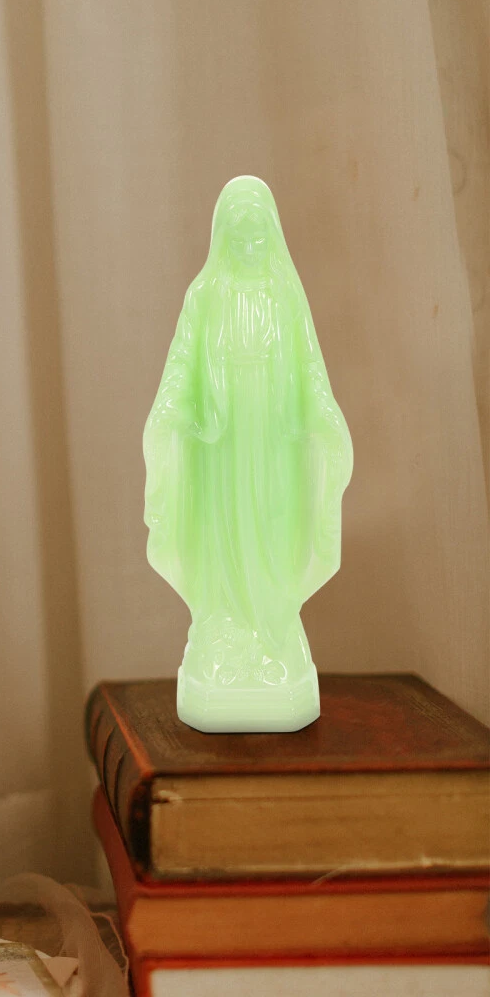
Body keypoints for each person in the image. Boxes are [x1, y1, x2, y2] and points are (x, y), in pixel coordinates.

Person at [143, 176, 353, 732]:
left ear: (272, 235)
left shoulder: (287, 297)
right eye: (240, 235)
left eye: (259, 234)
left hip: (274, 440)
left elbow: (309, 367)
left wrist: (324, 415)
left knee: (271, 527)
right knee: (226, 530)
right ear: (224, 238)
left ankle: (271, 627)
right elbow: (181, 365)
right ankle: (225, 624)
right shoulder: (204, 296)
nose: (251, 245)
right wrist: (169, 412)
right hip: (223, 442)